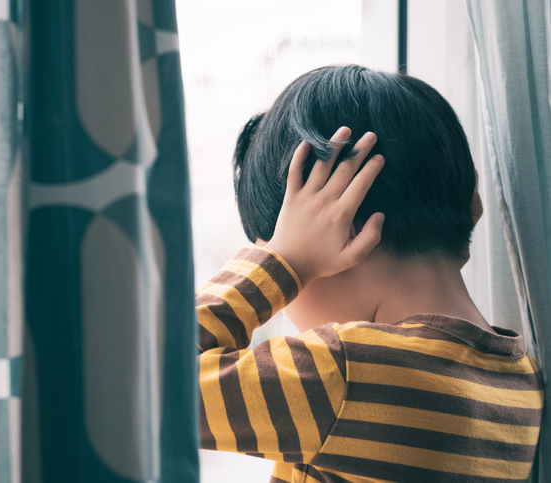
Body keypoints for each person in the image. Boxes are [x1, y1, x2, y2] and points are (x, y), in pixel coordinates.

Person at [197, 65, 543, 482]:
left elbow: (147, 385)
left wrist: (284, 263)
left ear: (343, 234)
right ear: (470, 200)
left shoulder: (338, 375)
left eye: (273, 242)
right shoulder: (518, 380)